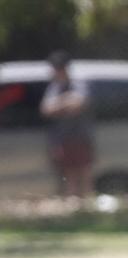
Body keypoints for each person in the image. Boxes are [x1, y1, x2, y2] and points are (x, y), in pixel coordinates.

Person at [40, 50, 94, 197]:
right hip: (62, 138)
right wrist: (67, 101)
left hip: (81, 136)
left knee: (84, 173)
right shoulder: (54, 87)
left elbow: (80, 104)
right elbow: (46, 109)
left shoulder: (78, 83)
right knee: (69, 175)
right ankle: (74, 205)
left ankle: (87, 203)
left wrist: (59, 104)